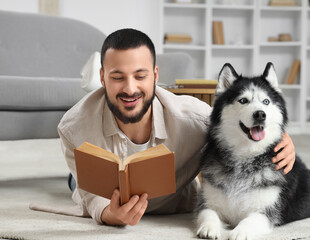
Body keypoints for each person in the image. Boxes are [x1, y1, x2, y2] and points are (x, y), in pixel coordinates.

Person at [58, 28, 295, 227]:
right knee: (75, 181)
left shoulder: (194, 118)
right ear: (102, 77)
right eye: (117, 77)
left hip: (173, 203)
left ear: (155, 75)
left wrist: (284, 139)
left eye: (140, 76)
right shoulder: (73, 129)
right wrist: (110, 215)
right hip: (104, 190)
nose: (130, 89)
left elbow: (241, 122)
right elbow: (91, 196)